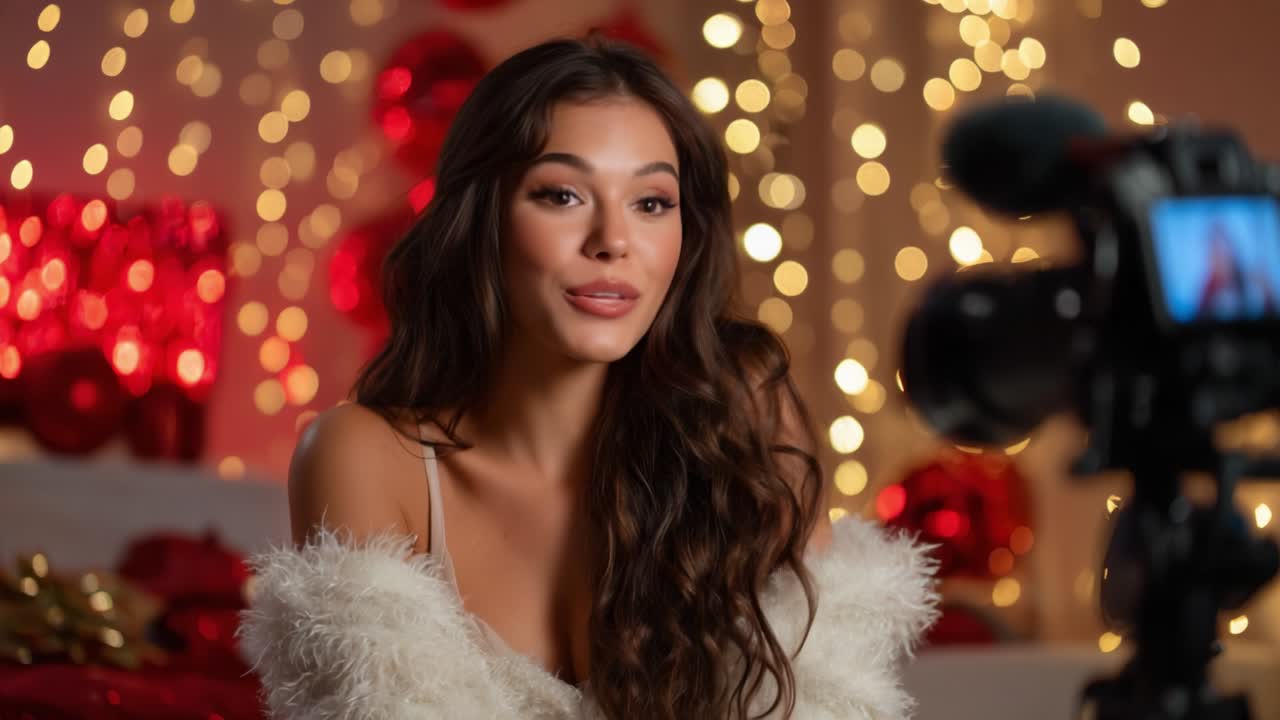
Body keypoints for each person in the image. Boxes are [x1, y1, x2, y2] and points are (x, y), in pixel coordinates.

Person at [240, 35, 937, 720]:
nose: (612, 240)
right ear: (484, 217)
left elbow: (827, 700)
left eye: (652, 203)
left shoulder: (742, 417)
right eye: (562, 195)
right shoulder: (367, 457)